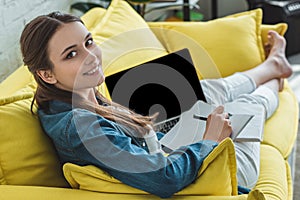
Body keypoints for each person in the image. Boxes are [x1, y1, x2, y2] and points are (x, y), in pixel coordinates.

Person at [20, 11, 292, 198]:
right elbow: (165, 177)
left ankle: (271, 66)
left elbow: (128, 146)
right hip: (202, 175)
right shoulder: (80, 126)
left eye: (89, 42)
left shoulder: (74, 96)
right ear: (47, 74)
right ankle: (275, 81)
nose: (91, 56)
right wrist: (209, 140)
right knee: (246, 106)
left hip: (164, 145)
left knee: (204, 90)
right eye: (72, 54)